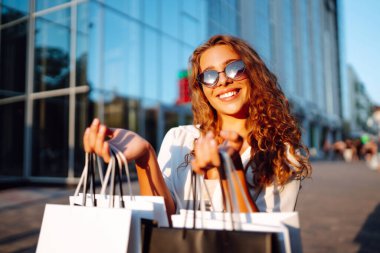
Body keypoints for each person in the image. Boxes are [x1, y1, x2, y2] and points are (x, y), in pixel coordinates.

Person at [83, 35, 312, 217]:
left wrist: (230, 172)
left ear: (254, 73)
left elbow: (265, 240)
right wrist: (145, 158)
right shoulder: (179, 138)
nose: (222, 80)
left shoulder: (284, 154)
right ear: (202, 88)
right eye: (209, 75)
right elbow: (163, 217)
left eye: (235, 68)